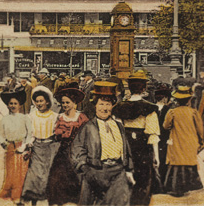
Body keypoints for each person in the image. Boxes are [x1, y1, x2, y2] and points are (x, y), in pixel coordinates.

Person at [71, 81, 135, 206]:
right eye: (101, 104)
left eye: (108, 104)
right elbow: (77, 150)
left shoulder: (119, 126)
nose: (104, 108)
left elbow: (126, 150)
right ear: (95, 105)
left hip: (118, 173)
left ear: (112, 106)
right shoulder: (88, 127)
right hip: (96, 172)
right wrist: (86, 170)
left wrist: (128, 170)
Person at [112, 70, 161, 206]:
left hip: (124, 145)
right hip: (143, 146)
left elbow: (117, 130)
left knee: (123, 178)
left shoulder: (119, 107)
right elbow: (152, 134)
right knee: (143, 179)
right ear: (144, 88)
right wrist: (156, 156)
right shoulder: (150, 108)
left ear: (129, 87)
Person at [46, 82, 88, 206]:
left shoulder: (81, 117)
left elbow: (86, 136)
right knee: (58, 178)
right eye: (63, 102)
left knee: (76, 178)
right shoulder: (59, 117)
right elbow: (54, 134)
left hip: (77, 151)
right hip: (62, 151)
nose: (64, 105)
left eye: (67, 102)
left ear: (74, 103)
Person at [21, 86, 60, 205]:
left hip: (51, 147)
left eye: (41, 101)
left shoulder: (55, 116)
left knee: (48, 176)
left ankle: (51, 201)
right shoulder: (32, 116)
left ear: (47, 101)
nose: (39, 103)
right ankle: (33, 201)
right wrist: (28, 144)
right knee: (35, 176)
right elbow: (29, 133)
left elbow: (57, 133)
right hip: (37, 147)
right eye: (36, 101)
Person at [163, 85, 204, 197]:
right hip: (190, 141)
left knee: (176, 163)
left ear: (176, 100)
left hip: (176, 141)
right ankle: (192, 185)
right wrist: (201, 142)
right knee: (189, 161)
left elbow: (166, 126)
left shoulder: (172, 112)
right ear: (189, 100)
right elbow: (200, 129)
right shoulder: (193, 112)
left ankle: (176, 187)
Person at [0, 89, 33, 206]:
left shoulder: (24, 118)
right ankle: (13, 195)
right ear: (8, 105)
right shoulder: (4, 120)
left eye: (15, 104)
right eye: (11, 103)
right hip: (10, 147)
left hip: (22, 146)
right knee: (11, 172)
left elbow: (30, 134)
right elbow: (1, 135)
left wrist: (25, 145)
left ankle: (20, 198)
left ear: (19, 105)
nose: (13, 106)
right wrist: (5, 144)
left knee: (22, 172)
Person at [154, 82, 173, 183]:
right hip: (165, 138)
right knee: (164, 159)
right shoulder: (169, 110)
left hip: (153, 137)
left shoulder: (151, 108)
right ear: (165, 98)